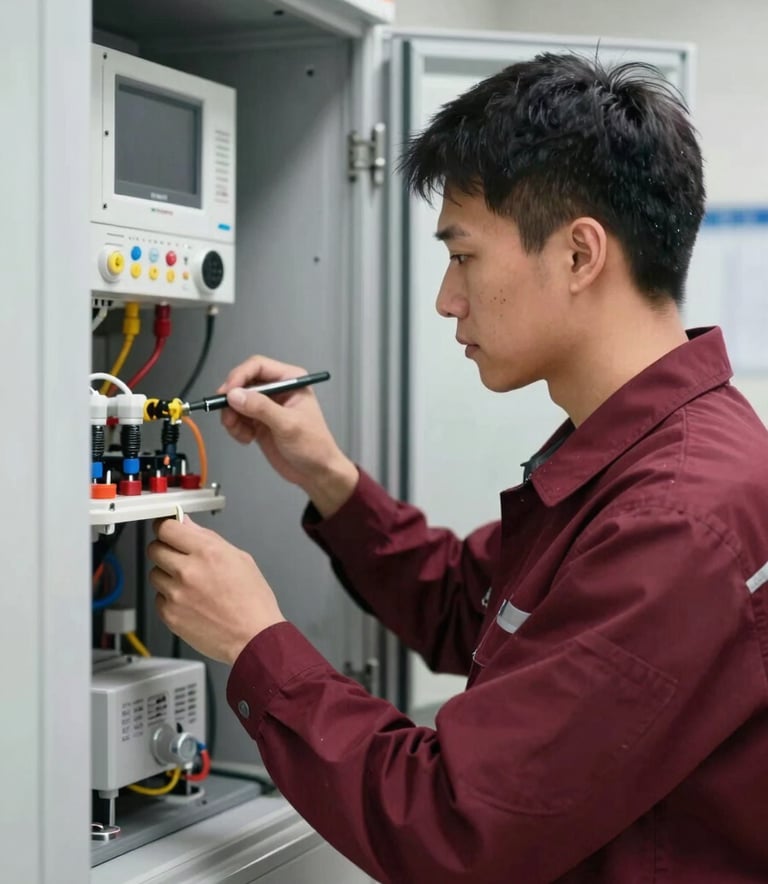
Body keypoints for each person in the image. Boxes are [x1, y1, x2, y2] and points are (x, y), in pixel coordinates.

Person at [147, 52, 768, 883]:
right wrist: (329, 477)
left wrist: (258, 642)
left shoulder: (676, 517)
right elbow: (470, 606)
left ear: (581, 255)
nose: (446, 297)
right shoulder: (648, 457)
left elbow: (457, 824)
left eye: (463, 254)